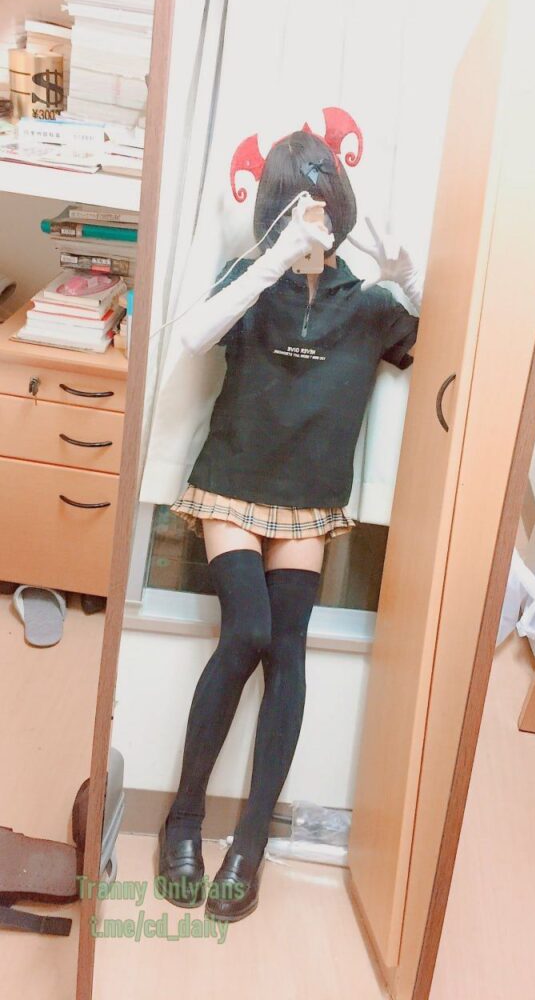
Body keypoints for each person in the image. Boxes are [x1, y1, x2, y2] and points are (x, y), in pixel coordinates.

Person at [157, 129, 422, 923]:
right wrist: (273, 258)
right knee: (245, 630)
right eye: (297, 208)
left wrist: (408, 275)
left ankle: (249, 844)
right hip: (232, 484)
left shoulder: (368, 305)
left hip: (309, 498)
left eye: (324, 209)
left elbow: (442, 353)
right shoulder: (251, 283)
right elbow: (191, 335)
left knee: (288, 649)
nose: (313, 222)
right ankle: (183, 819)